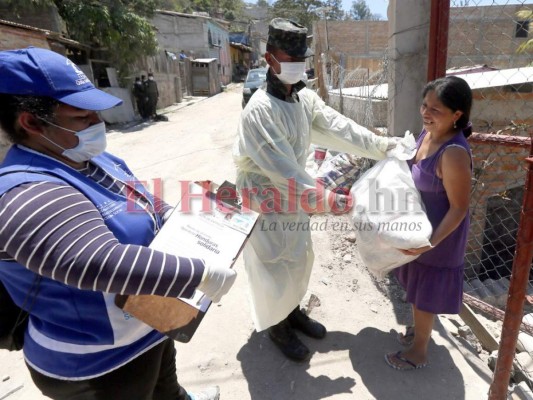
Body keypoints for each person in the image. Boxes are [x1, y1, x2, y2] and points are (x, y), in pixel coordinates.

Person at [0, 47, 235, 400]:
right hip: (97, 366)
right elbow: (96, 261)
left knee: (166, 387)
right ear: (31, 123)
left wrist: (184, 219)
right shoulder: (25, 190)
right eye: (83, 118)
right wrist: (199, 273)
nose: (99, 124)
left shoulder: (94, 159)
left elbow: (143, 203)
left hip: (149, 323)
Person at [233, 18, 400, 362]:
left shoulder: (303, 100)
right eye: (289, 59)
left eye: (301, 59)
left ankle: (291, 311)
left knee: (296, 257)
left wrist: (382, 145)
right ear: (270, 59)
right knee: (272, 263)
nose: (297, 66)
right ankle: (275, 326)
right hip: (265, 197)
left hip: (293, 196)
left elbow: (339, 128)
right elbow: (283, 171)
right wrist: (326, 199)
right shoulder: (258, 111)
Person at [385, 75, 473, 371]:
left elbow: (459, 208)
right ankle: (418, 334)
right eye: (424, 105)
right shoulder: (428, 135)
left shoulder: (454, 154)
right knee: (417, 287)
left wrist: (429, 243)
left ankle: (419, 351)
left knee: (426, 296)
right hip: (418, 231)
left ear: (457, 114)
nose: (426, 113)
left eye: (435, 109)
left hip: (439, 236)